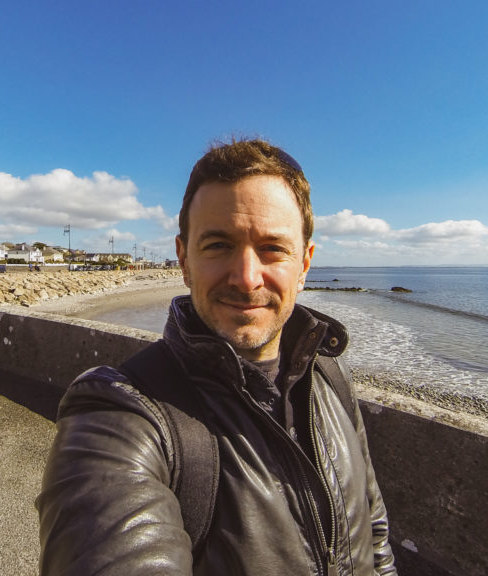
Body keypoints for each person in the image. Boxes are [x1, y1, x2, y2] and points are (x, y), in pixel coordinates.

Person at [36, 139, 397, 575]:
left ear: (304, 264)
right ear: (184, 259)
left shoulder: (330, 375)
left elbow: (374, 534)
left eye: (272, 249)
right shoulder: (120, 412)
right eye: (218, 245)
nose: (246, 279)